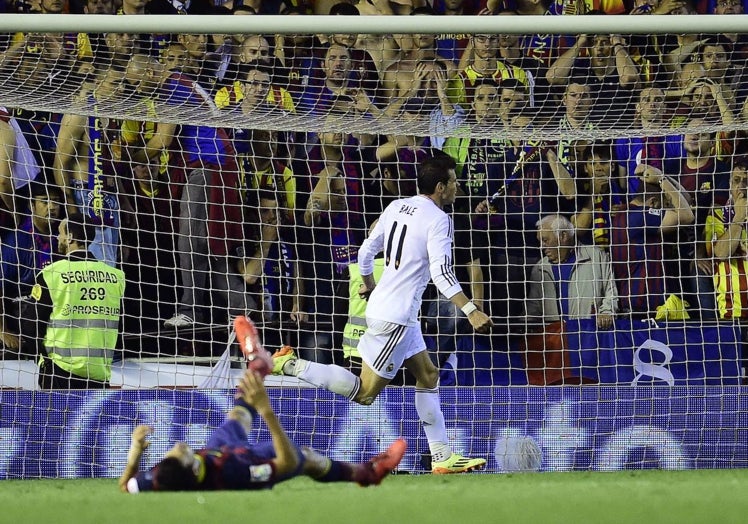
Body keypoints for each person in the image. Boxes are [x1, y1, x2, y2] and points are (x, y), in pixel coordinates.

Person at [272, 155, 492, 474]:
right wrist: (471, 310)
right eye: (454, 182)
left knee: (428, 375)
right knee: (364, 393)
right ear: (441, 187)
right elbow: (442, 273)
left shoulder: (396, 206)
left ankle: (442, 456)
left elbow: (365, 252)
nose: (457, 187)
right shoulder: (439, 219)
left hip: (396, 311)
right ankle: (291, 364)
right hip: (397, 318)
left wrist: (370, 283)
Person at [119, 368, 406, 492]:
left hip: (215, 452)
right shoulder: (236, 472)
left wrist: (135, 451)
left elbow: (126, 486)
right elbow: (287, 463)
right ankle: (367, 474)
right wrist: (267, 410)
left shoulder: (163, 476)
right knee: (305, 456)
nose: (177, 447)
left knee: (236, 417)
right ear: (193, 469)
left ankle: (257, 364)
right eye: (180, 453)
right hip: (236, 458)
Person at [22, 214, 126, 389]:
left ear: (70, 237)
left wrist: (40, 357)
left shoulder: (52, 273)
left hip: (59, 369)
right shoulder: (116, 277)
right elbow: (120, 322)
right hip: (99, 372)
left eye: (60, 233)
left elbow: (31, 325)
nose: (58, 238)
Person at [527, 214, 618, 330]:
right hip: (556, 342)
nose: (542, 246)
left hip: (589, 335)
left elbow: (611, 292)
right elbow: (533, 308)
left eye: (545, 240)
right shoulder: (540, 268)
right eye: (540, 241)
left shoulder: (595, 256)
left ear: (563, 236)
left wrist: (606, 313)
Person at [0, 183, 62, 351]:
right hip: (23, 312)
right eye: (44, 201)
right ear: (31, 205)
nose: (52, 207)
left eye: (56, 201)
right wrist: (3, 330)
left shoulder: (63, 238)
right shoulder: (17, 242)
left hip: (55, 314)